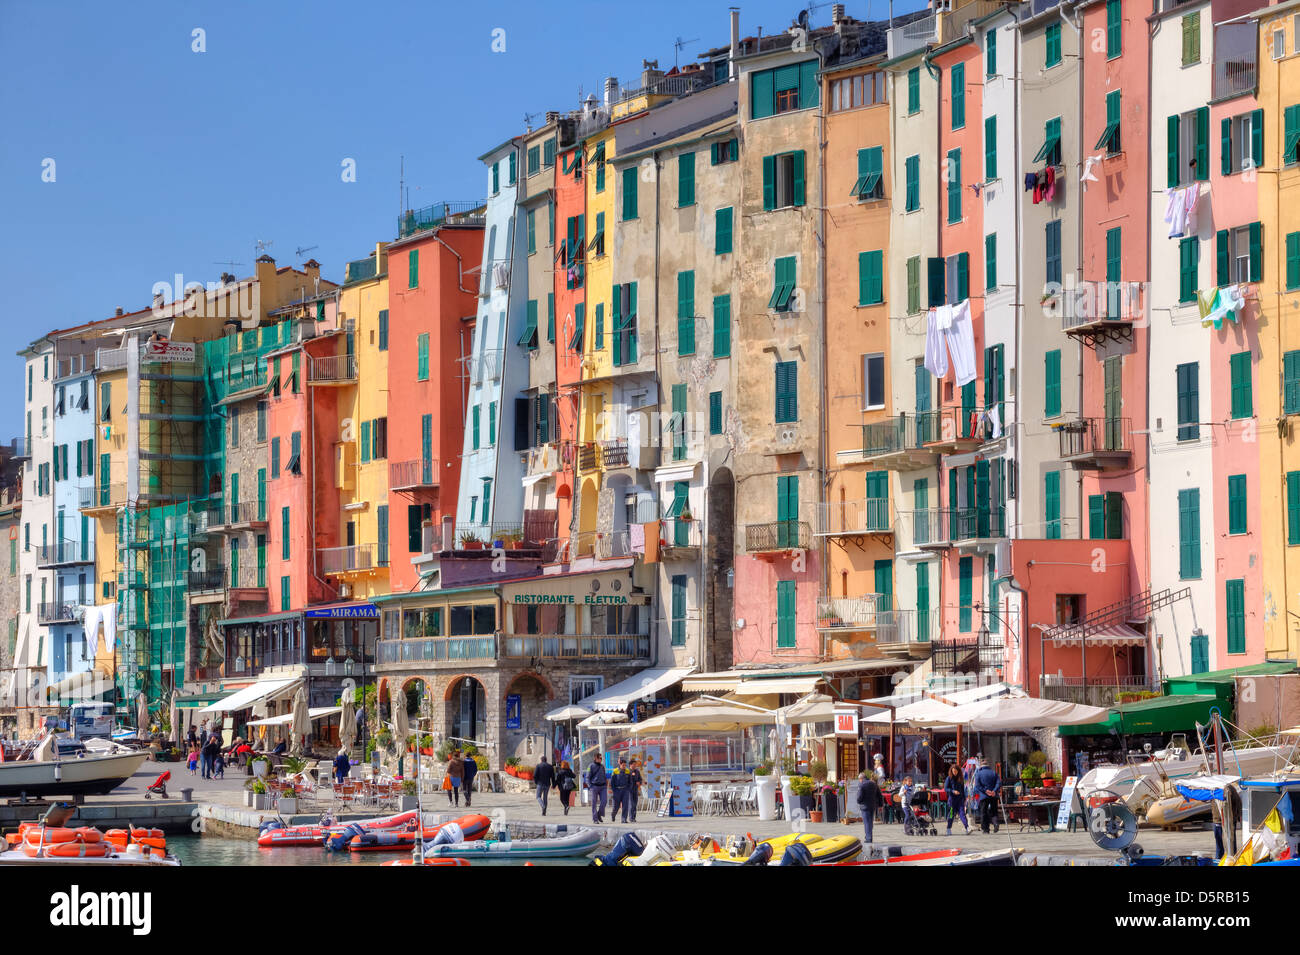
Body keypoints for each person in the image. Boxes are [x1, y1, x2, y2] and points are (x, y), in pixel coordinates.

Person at [973, 758, 1002, 834]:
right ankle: (995, 823)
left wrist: (986, 791)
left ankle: (985, 829)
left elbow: (978, 785)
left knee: (984, 812)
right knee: (994, 811)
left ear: (981, 766)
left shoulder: (979, 774)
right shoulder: (994, 773)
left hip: (983, 796)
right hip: (993, 795)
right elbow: (998, 783)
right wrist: (994, 791)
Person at [855, 771, 882, 843]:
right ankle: (869, 836)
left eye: (859, 779)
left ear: (861, 778)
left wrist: (858, 801)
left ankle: (868, 838)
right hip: (872, 805)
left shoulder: (862, 785)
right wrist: (880, 805)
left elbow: (859, 796)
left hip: (864, 806)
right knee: (870, 822)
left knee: (867, 822)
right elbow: (880, 795)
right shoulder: (873, 784)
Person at [944, 763, 971, 835]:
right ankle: (948, 828)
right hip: (952, 800)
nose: (955, 773)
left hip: (960, 800)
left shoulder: (961, 778)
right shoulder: (949, 778)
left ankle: (967, 827)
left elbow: (963, 789)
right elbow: (946, 788)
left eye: (956, 771)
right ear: (951, 771)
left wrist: (965, 797)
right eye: (953, 771)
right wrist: (953, 791)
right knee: (951, 815)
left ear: (958, 771)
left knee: (962, 814)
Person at [586, 753, 608, 823]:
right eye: (600, 758)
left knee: (604, 801)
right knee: (594, 803)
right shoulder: (591, 766)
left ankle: (599, 814)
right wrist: (590, 786)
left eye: (601, 758)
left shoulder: (602, 766)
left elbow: (604, 775)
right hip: (594, 786)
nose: (601, 760)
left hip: (603, 787)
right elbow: (587, 777)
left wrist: (606, 784)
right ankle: (595, 819)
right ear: (595, 758)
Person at [627, 759, 644, 823]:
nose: (635, 765)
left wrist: (639, 782)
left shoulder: (637, 771)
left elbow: (640, 779)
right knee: (631, 804)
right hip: (629, 790)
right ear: (630, 765)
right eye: (633, 764)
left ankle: (634, 817)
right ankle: (631, 818)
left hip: (635, 789)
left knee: (635, 804)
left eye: (635, 764)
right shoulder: (627, 771)